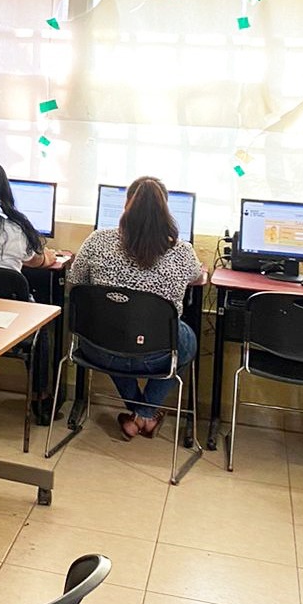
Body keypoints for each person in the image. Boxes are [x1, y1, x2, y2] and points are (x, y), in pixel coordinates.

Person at [68, 176, 201, 440]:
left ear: (126, 204)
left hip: (99, 349)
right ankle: (145, 415)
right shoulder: (182, 252)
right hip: (156, 353)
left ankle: (138, 415)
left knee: (114, 334)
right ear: (166, 210)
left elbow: (75, 283)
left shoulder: (96, 241)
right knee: (187, 342)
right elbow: (197, 277)